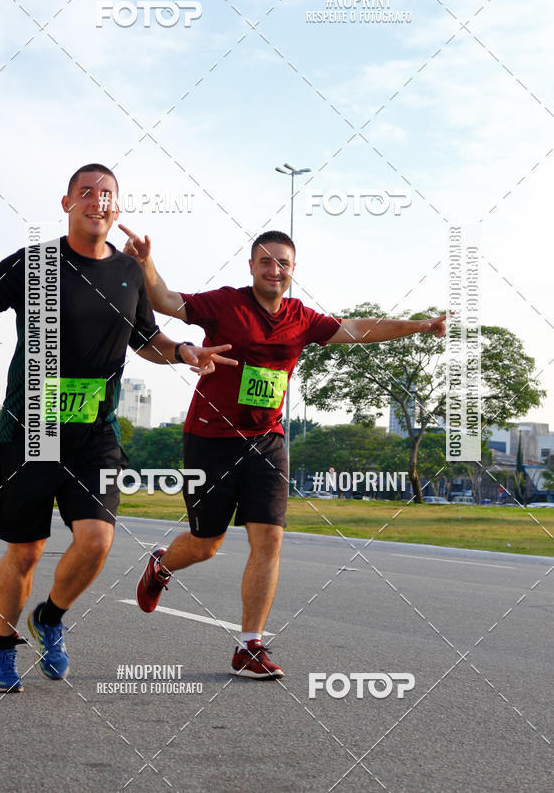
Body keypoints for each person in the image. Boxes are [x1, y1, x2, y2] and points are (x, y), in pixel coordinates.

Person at [0, 164, 236, 693]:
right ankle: (0, 645)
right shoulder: (35, 263)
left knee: (97, 541)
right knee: (27, 550)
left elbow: (147, 339)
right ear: (67, 204)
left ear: (117, 207)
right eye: (86, 193)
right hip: (35, 426)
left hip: (95, 434)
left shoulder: (129, 273)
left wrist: (183, 351)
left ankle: (51, 617)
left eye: (107, 194)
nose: (97, 201)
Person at [121, 225, 446, 679]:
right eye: (266, 260)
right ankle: (161, 565)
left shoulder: (301, 317)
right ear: (252, 265)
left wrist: (419, 326)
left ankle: (249, 646)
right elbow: (165, 300)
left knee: (269, 539)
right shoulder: (226, 303)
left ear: (293, 271)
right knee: (206, 544)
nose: (275, 269)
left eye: (284, 263)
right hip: (211, 438)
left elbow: (355, 328)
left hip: (268, 441)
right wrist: (144, 262)